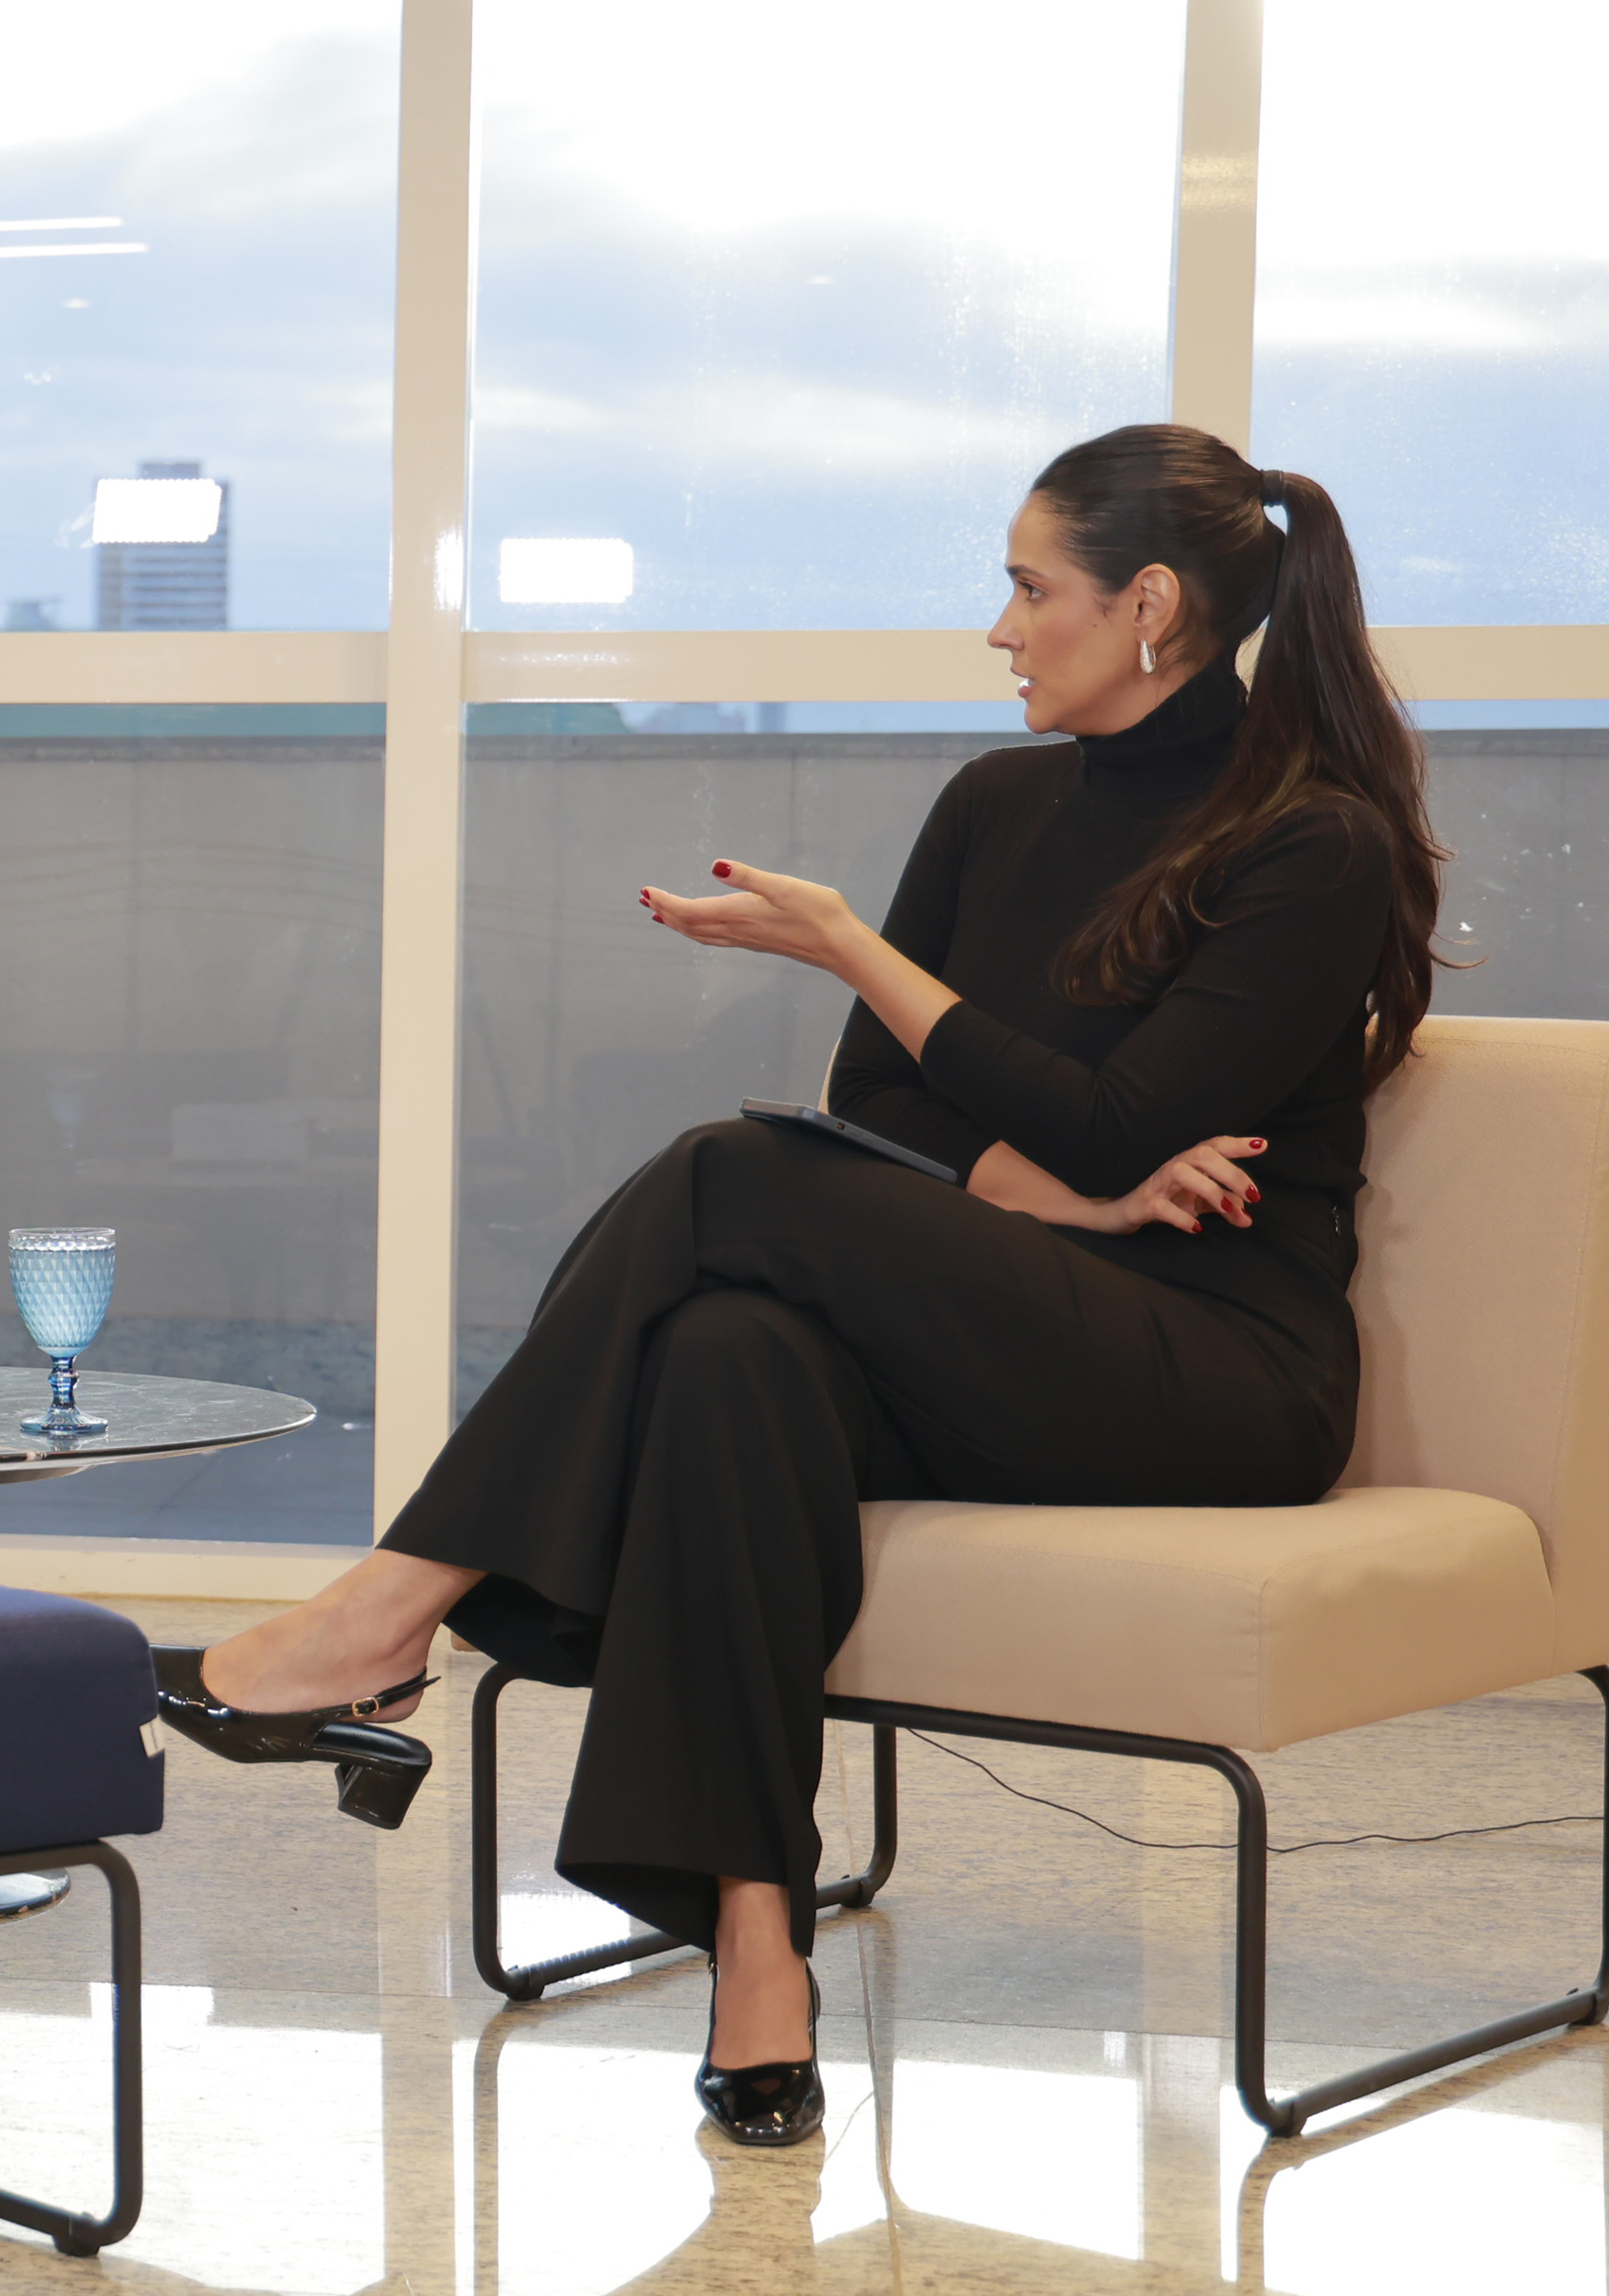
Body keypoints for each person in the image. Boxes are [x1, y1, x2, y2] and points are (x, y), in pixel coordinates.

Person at [155, 424, 1443, 2145]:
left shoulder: (1309, 844)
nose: (1000, 627)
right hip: (1018, 1316)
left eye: (1029, 588)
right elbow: (886, 1110)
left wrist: (855, 948)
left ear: (1149, 604)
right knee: (729, 1352)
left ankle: (390, 1611)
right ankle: (756, 1945)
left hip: (1216, 1367)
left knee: (727, 1169)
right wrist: (1066, 1192)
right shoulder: (996, 806)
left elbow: (1123, 1115)